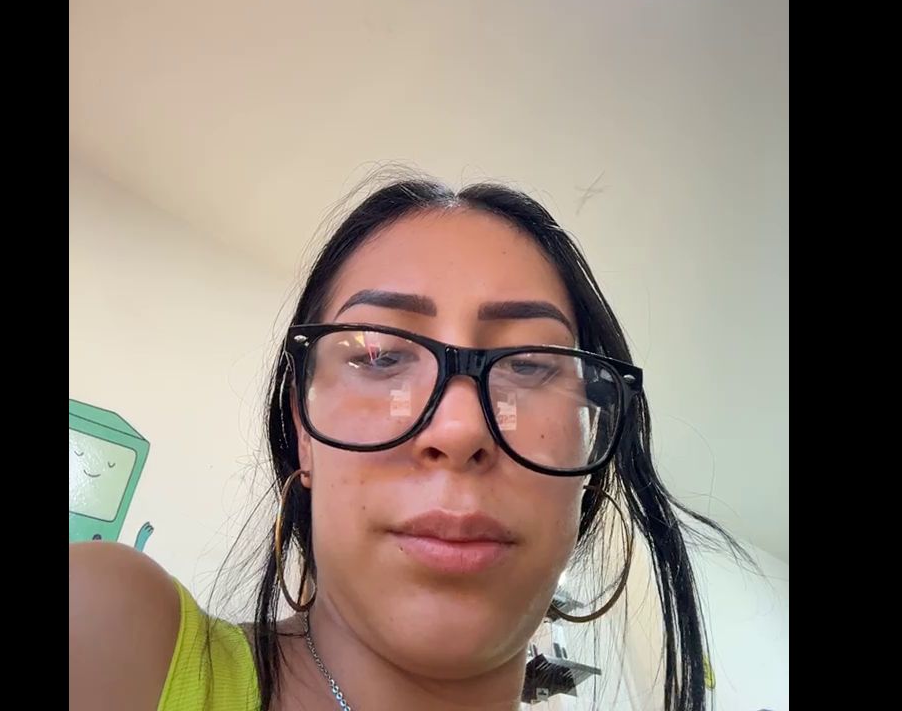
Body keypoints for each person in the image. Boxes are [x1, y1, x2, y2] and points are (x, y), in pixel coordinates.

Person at [69, 177, 736, 711]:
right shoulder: (105, 632)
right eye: (380, 355)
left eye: (530, 363)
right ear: (303, 430)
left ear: (588, 453)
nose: (459, 429)